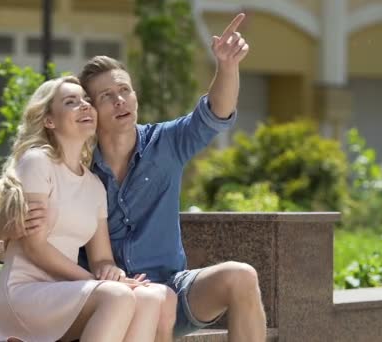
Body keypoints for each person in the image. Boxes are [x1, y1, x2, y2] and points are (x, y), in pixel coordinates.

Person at [74, 13, 267, 341]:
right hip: (109, 301)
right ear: (90, 108)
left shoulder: (166, 143)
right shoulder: (78, 165)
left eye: (125, 90)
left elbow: (215, 114)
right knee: (151, 300)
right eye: (107, 96)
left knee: (242, 276)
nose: (120, 100)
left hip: (173, 290)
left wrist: (227, 66)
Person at [0, 76, 167, 342]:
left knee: (148, 298)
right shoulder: (37, 162)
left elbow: (102, 258)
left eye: (86, 100)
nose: (85, 106)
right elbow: (34, 247)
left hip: (65, 291)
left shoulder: (95, 185)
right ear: (49, 121)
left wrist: (113, 272)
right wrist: (97, 281)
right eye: (71, 102)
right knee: (117, 295)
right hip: (26, 293)